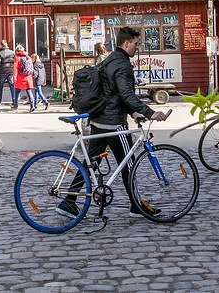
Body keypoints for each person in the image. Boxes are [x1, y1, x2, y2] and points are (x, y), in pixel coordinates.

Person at [57, 26, 167, 219]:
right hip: (114, 123)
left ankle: (69, 201)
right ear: (126, 43)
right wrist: (150, 112)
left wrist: (132, 111)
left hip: (100, 119)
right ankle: (136, 205)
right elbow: (126, 94)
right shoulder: (122, 64)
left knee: (91, 161)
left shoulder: (110, 59)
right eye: (135, 44)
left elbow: (112, 93)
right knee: (129, 164)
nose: (137, 47)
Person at [11, 44, 35, 111]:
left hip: (20, 77)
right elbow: (31, 68)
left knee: (17, 92)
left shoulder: (17, 57)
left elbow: (15, 68)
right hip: (28, 77)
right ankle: (32, 105)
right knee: (29, 91)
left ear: (17, 50)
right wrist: (31, 75)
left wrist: (14, 77)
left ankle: (15, 105)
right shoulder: (28, 57)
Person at [0, 40, 14, 106]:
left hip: (2, 72)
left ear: (1, 45)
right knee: (12, 86)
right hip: (10, 71)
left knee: (0, 87)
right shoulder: (12, 52)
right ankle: (14, 100)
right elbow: (14, 61)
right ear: (7, 44)